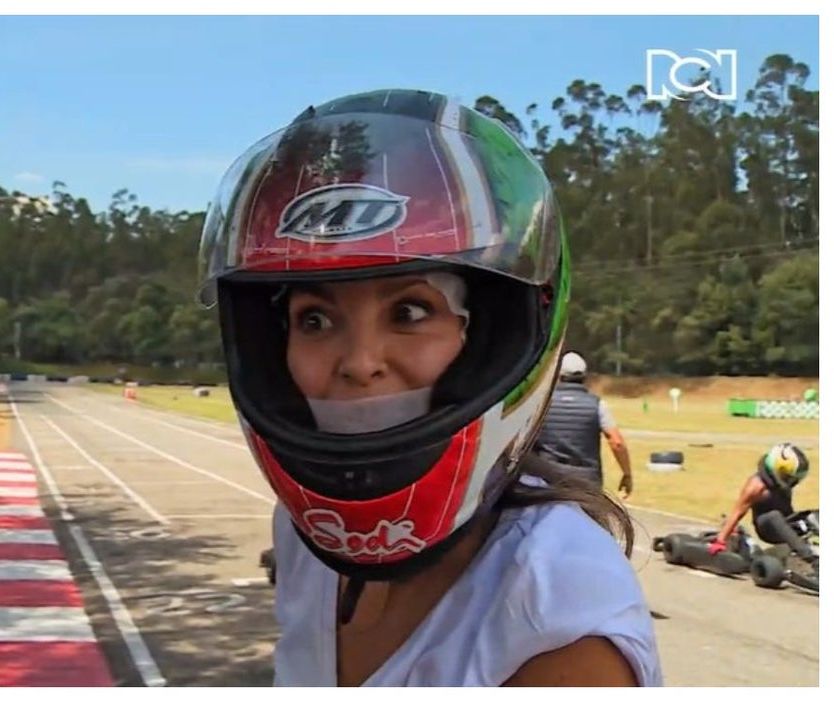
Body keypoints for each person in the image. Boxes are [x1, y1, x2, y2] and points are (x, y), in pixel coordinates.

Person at [196, 89, 662, 686]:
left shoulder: (558, 613)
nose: (360, 362)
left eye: (411, 312)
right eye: (315, 319)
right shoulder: (300, 533)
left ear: (492, 337)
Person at [531, 351, 633, 498]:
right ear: (584, 377)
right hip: (587, 481)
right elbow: (617, 443)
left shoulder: (542, 403)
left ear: (557, 375)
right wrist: (627, 474)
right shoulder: (597, 405)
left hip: (549, 477)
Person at [708, 442, 811, 555]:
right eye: (788, 477)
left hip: (786, 523)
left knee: (814, 515)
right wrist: (720, 541)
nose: (791, 482)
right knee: (774, 516)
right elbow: (737, 513)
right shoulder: (755, 487)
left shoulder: (782, 483)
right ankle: (809, 557)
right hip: (767, 528)